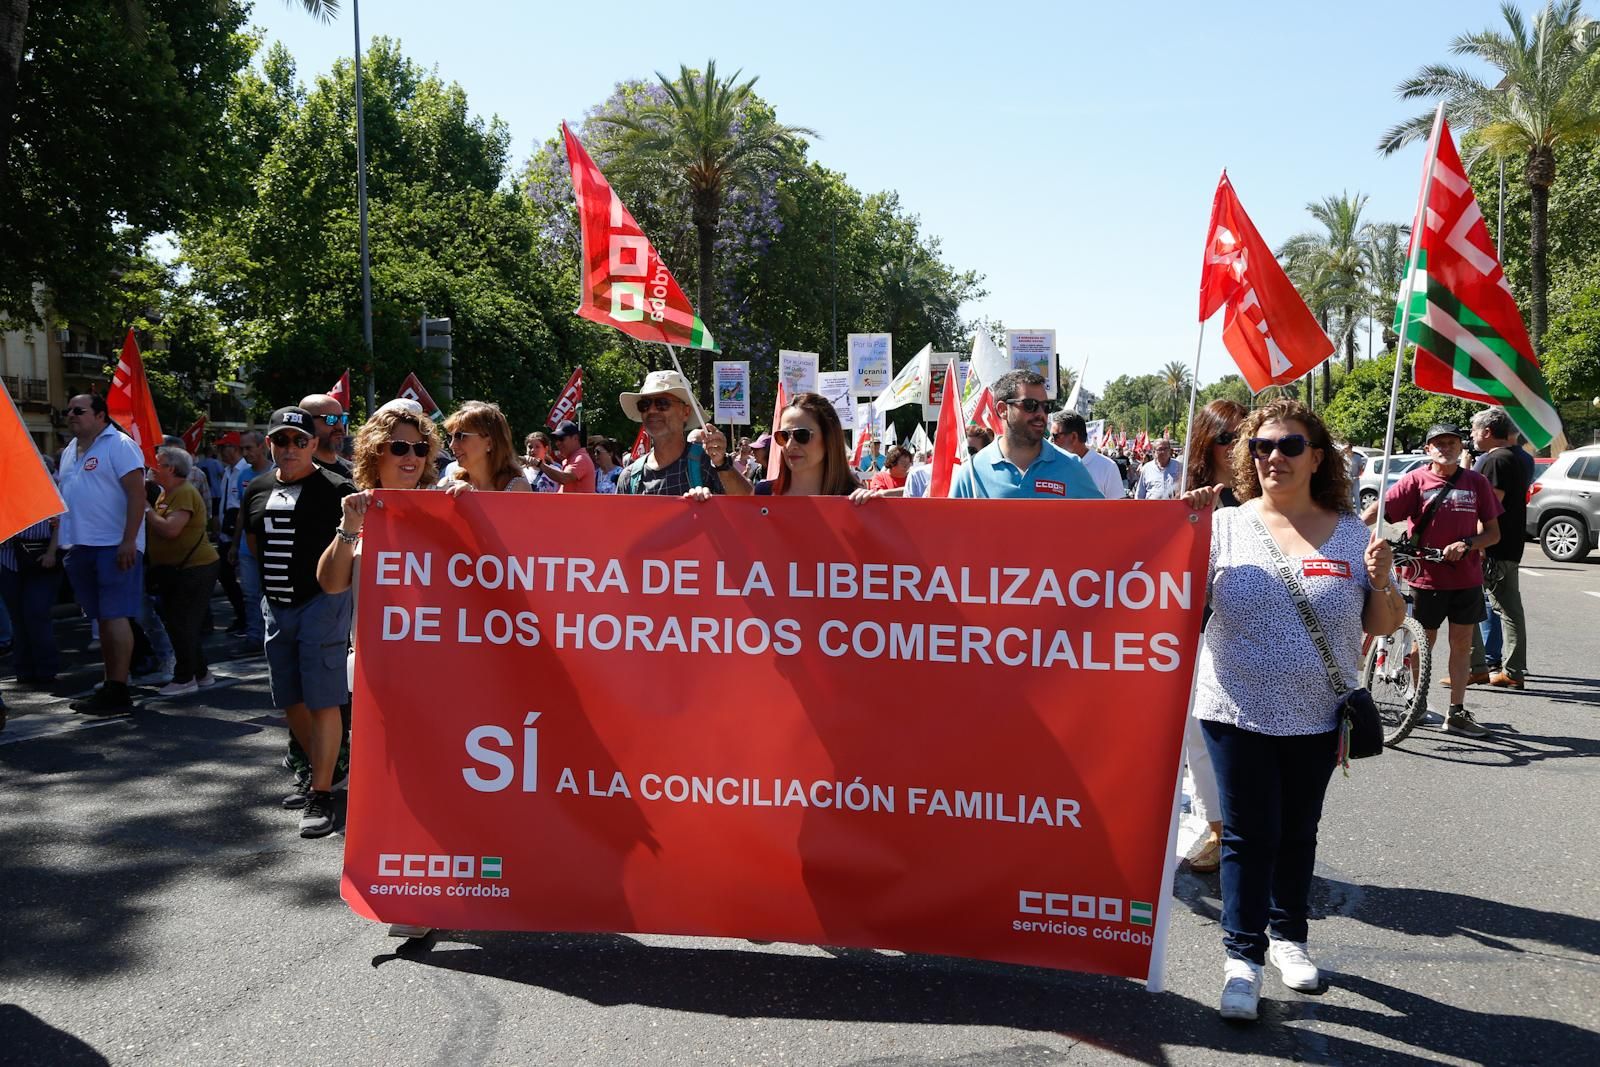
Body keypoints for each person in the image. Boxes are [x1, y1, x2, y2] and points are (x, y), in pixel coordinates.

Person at [1184, 399, 1404, 1021]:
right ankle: (1242, 959)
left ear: (1317, 457)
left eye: (1288, 446)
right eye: (1261, 447)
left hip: (1318, 715)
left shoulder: (1353, 532)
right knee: (1249, 836)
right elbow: (1169, 604)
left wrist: (1383, 580)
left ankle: (1289, 938)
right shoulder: (1222, 527)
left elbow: (1382, 622)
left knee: (1297, 833)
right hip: (1235, 710)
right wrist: (1176, 526)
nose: (1274, 457)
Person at [243, 407, 357, 838]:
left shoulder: (336, 488)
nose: (289, 449)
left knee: (323, 698)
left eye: (298, 440)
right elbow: (254, 542)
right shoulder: (256, 487)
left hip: (321, 605)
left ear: (313, 443)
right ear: (270, 443)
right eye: (280, 440)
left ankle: (322, 793)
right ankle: (318, 772)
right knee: (290, 697)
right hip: (277, 607)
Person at [1362, 423, 1502, 737]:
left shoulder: (1476, 482)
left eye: (1452, 442)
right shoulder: (1415, 480)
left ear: (1461, 448)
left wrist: (1467, 543)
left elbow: (1493, 533)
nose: (1446, 448)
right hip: (1426, 577)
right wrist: (1348, 529)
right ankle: (1418, 702)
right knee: (1422, 643)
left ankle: (1456, 712)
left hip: (1466, 578)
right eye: (1438, 443)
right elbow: (1380, 510)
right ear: (1428, 450)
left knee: (1462, 644)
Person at [58, 394, 148, 716]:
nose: (70, 415)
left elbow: (138, 495)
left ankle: (119, 689)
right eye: (67, 411)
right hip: (80, 546)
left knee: (114, 616)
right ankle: (111, 684)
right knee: (103, 619)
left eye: (78, 411)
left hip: (113, 545)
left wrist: (128, 541)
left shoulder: (119, 444)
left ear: (100, 416)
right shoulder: (70, 451)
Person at [144, 445, 222, 697]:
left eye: (158, 463)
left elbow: (170, 529)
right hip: (178, 570)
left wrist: (146, 509)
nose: (152, 468)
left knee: (182, 623)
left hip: (194, 569)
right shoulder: (166, 493)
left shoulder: (184, 492)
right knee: (181, 623)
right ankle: (200, 672)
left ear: (172, 468)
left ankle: (185, 676)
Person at [949, 371, 1101, 499]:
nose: (1041, 414)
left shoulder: (1071, 467)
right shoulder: (971, 472)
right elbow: (950, 531)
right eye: (1030, 405)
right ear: (1002, 409)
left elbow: (1102, 526)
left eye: (1046, 406)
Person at [1467, 407, 1530, 690]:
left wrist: (1478, 543)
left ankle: (1512, 671)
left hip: (1495, 547)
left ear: (1488, 432)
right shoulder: (1511, 457)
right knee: (1491, 606)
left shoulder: (1497, 460)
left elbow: (1488, 509)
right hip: (1505, 544)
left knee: (1503, 608)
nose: (1472, 435)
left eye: (1474, 430)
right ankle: (1481, 667)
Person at [615, 370, 750, 496]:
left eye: (662, 403)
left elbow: (747, 502)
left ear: (685, 412)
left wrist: (722, 465)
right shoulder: (629, 477)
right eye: (644, 405)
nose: (651, 410)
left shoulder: (709, 463)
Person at [750, 393, 874, 500]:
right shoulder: (763, 493)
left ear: (828, 439)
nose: (790, 445)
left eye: (802, 435)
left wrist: (874, 509)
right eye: (783, 436)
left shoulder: (854, 499)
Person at [1, 516, 64, 685]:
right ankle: (23, 670)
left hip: (41, 558)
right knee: (18, 618)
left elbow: (60, 523)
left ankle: (47, 669)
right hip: (8, 560)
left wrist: (51, 552)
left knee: (37, 613)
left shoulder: (46, 492)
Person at [230, 432, 274, 648]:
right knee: (250, 594)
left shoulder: (276, 472)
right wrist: (235, 543)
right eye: (243, 449)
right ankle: (254, 636)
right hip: (247, 548)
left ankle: (272, 636)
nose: (245, 453)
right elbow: (242, 513)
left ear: (262, 447)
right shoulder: (243, 475)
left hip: (271, 546)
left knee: (271, 593)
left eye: (249, 448)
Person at [442, 402, 532, 494]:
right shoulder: (447, 484)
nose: (452, 445)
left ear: (490, 443)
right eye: (450, 437)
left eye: (460, 436)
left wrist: (472, 498)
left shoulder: (517, 488)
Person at [214, 431, 249, 637]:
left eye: (223, 447)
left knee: (245, 582)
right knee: (226, 576)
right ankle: (241, 615)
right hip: (227, 535)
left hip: (240, 536)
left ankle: (247, 619)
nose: (220, 452)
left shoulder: (244, 471)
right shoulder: (227, 471)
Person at [1050, 411, 1125, 500]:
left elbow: (1117, 510)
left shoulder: (1107, 467)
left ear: (1073, 437)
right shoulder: (1050, 466)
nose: (1051, 441)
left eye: (1055, 436)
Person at [527, 420, 596, 493]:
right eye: (556, 439)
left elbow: (564, 478)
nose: (557, 443)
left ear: (575, 438)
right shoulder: (569, 460)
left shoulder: (581, 458)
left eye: (561, 438)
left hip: (579, 505)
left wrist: (540, 464)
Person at [299, 392, 352, 477]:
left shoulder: (355, 472)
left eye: (342, 419)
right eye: (330, 419)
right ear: (307, 423)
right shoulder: (296, 472)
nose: (340, 427)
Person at [1342, 442, 1368, 511]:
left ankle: (1359, 512)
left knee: (1356, 496)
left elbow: (1361, 468)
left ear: (1350, 448)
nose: (1344, 450)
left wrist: (1358, 475)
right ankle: (1351, 512)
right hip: (1347, 479)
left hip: (1355, 479)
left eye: (1346, 448)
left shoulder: (1357, 457)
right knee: (1348, 497)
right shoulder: (1344, 457)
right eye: (1344, 449)